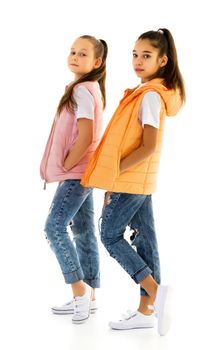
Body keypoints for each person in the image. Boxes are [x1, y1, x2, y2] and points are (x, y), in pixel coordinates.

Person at [81, 28, 185, 335]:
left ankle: (154, 291)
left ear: (163, 61)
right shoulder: (146, 93)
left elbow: (149, 145)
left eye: (147, 56)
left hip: (130, 180)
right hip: (141, 181)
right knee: (145, 240)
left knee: (109, 235)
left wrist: (115, 175)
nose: (138, 61)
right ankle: (146, 310)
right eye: (135, 54)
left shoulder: (150, 96)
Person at [40, 35, 108, 324]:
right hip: (84, 171)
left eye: (83, 54)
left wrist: (67, 163)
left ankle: (79, 290)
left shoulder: (81, 90)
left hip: (76, 172)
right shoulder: (87, 87)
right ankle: (89, 296)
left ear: (96, 63)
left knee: (54, 227)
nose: (75, 56)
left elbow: (87, 133)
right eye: (72, 51)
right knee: (82, 230)